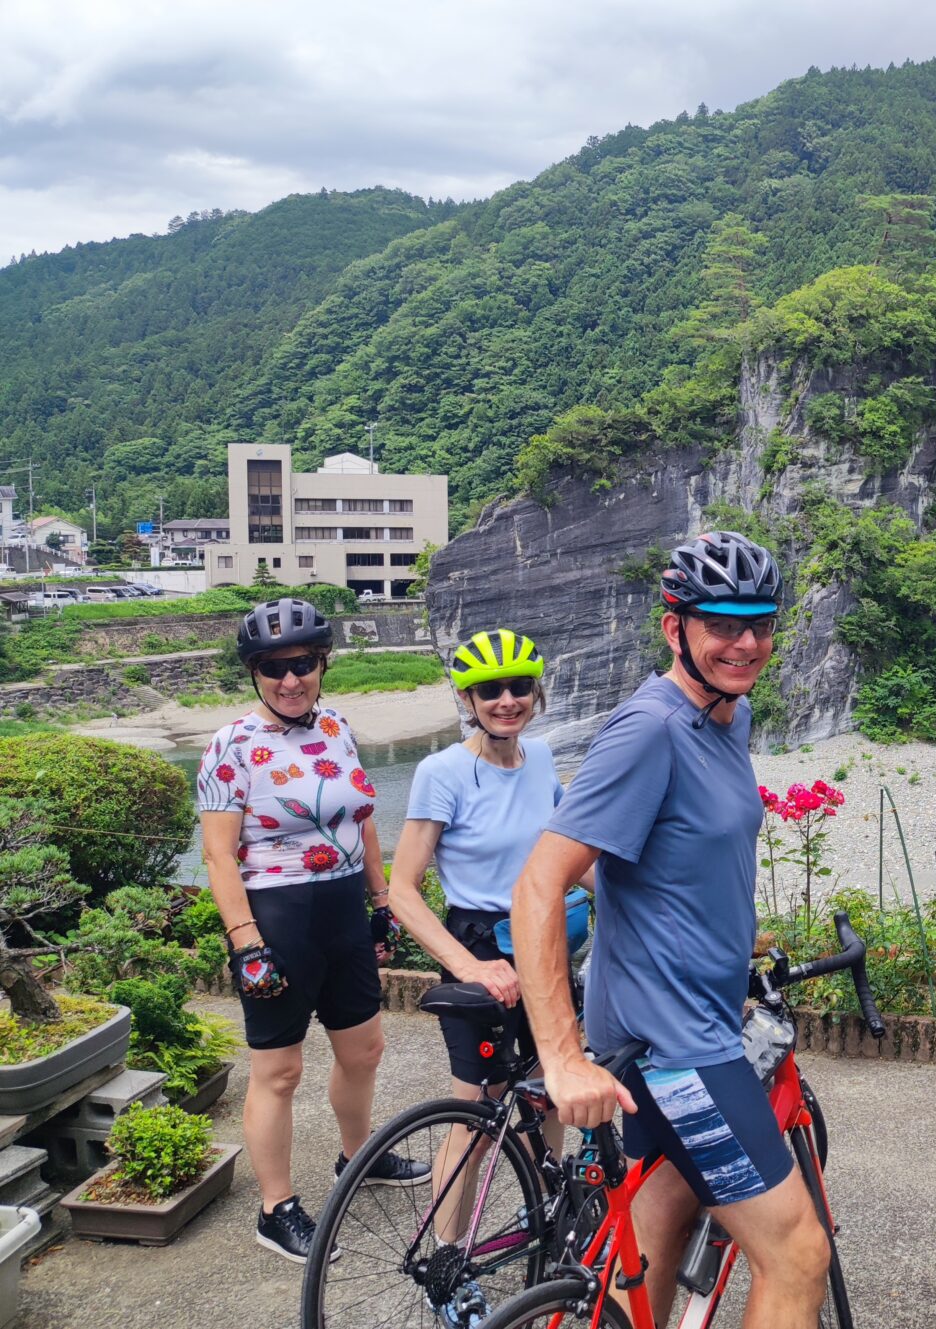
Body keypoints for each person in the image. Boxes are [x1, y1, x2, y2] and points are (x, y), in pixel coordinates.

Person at [509, 531, 832, 1329]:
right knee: (796, 1254)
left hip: (695, 1020)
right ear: (674, 627)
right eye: (722, 623)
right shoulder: (650, 728)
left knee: (656, 1228)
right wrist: (562, 1056)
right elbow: (538, 883)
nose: (747, 641)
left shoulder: (730, 713)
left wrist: (703, 934)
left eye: (760, 622)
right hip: (680, 1045)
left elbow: (644, 852)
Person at [196, 597, 427, 1264]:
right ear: (254, 672)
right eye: (273, 667)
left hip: (341, 912)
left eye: (302, 663)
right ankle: (276, 1208)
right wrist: (245, 941)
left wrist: (381, 900)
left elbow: (361, 818)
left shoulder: (337, 727)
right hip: (276, 916)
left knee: (365, 1049)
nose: (289, 679)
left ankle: (360, 1159)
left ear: (322, 663)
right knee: (279, 1069)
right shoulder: (231, 745)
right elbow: (218, 854)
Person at [387, 628, 583, 1279]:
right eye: (490, 690)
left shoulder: (542, 759)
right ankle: (445, 1258)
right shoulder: (441, 771)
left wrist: (637, 898)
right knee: (473, 1109)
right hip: (477, 946)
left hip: (541, 938)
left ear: (536, 692)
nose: (507, 700)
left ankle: (547, 1221)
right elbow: (402, 891)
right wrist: (468, 966)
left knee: (549, 1093)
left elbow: (566, 859)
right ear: (469, 698)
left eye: (519, 687)